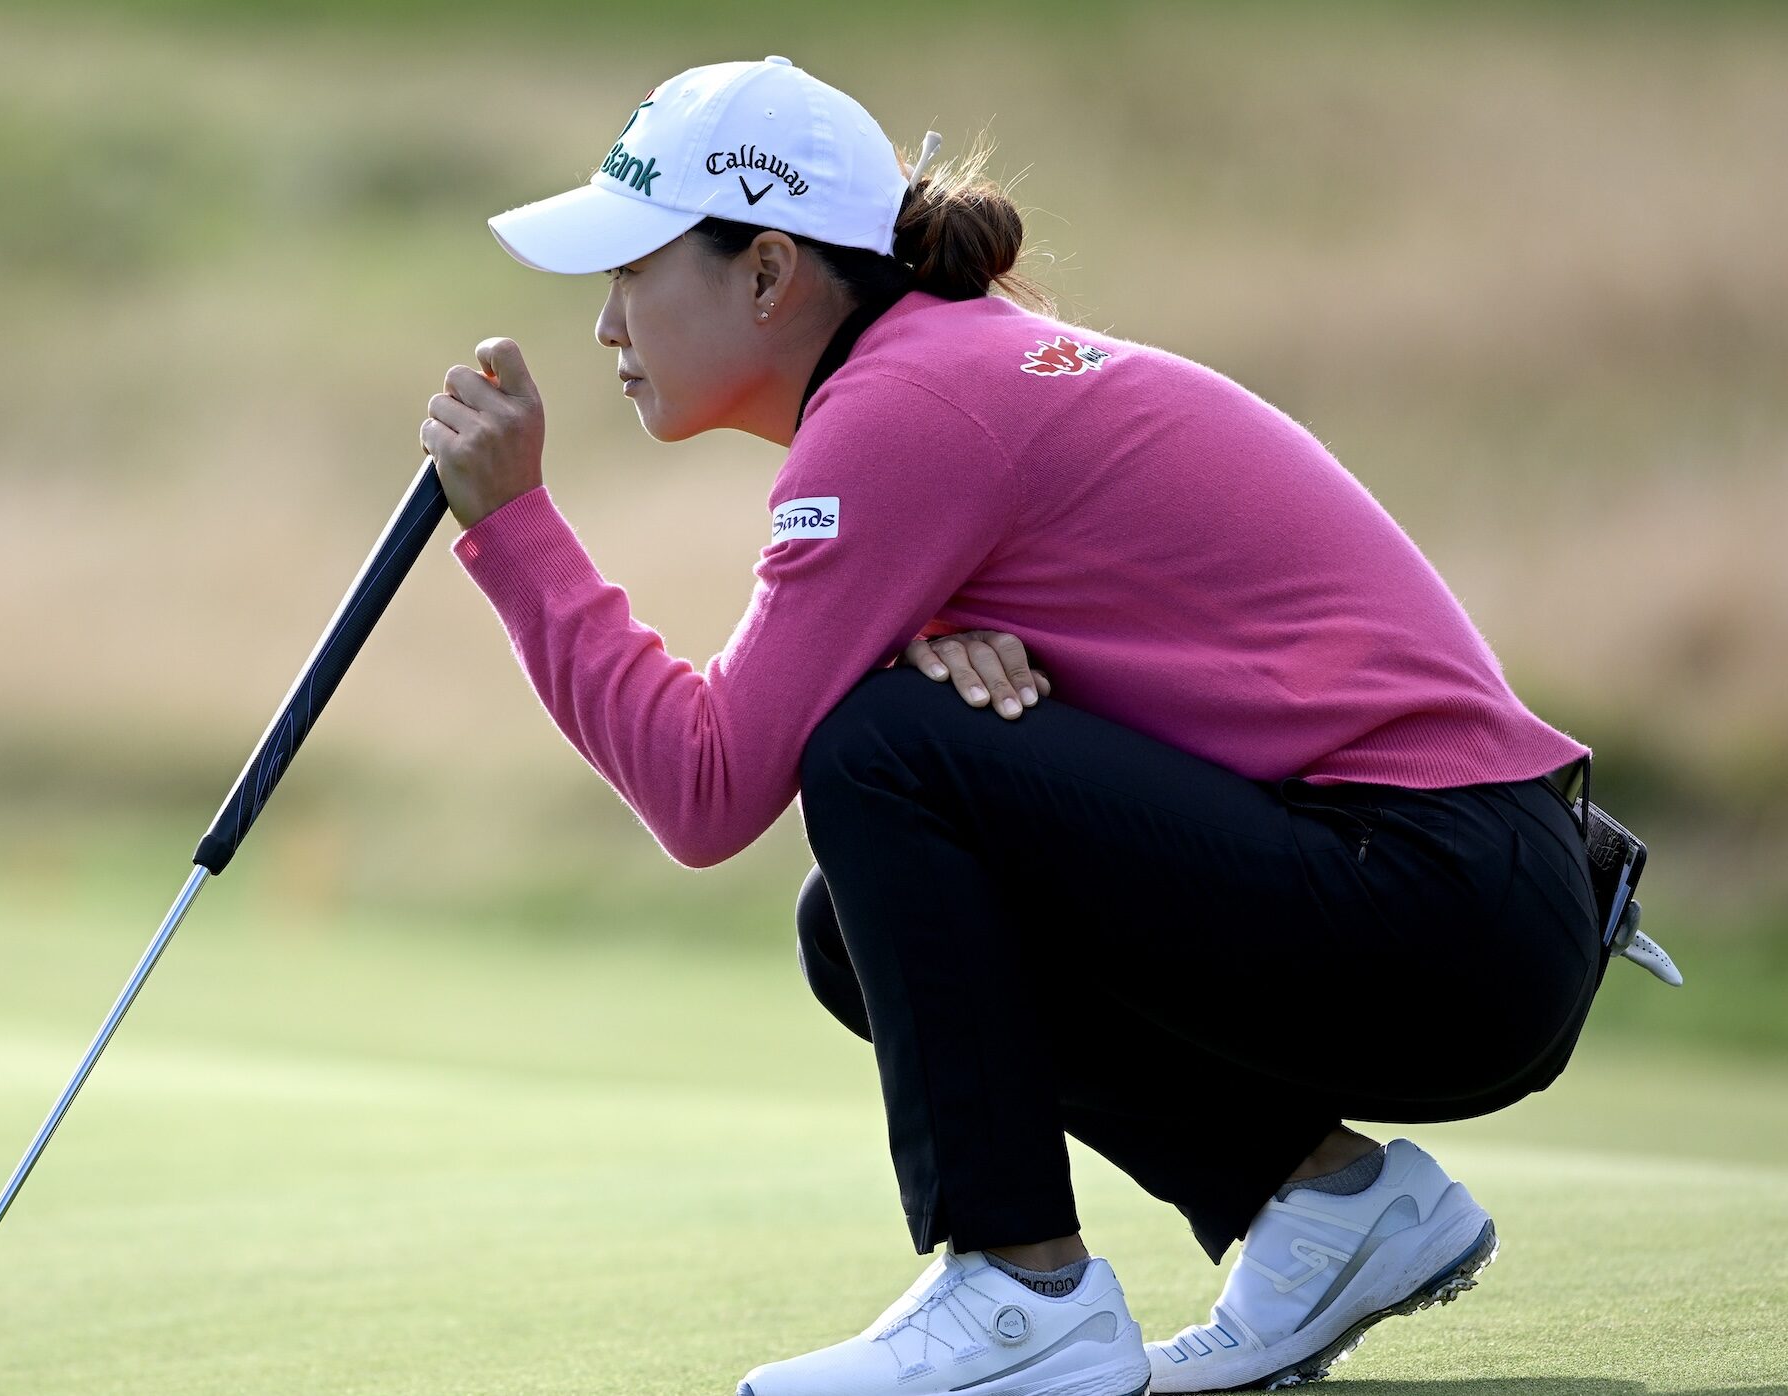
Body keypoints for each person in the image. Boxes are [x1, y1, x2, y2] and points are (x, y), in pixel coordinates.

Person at [418, 56, 1603, 1396]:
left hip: (1442, 904)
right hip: (1468, 894)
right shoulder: (940, 368)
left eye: (633, 270)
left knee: (878, 747)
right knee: (850, 927)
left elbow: (706, 791)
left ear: (765, 274)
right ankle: (1320, 1203)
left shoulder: (901, 409)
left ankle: (1018, 1285)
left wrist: (516, 531)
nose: (605, 326)